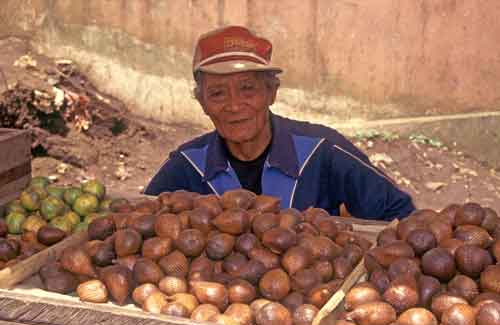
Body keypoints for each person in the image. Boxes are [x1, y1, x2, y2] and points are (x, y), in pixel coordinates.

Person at [145, 25, 415, 221]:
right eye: (217, 93)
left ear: (271, 93)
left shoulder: (322, 150)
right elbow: (139, 220)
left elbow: (400, 214)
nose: (234, 105)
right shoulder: (188, 164)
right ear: (202, 102)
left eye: (248, 88)